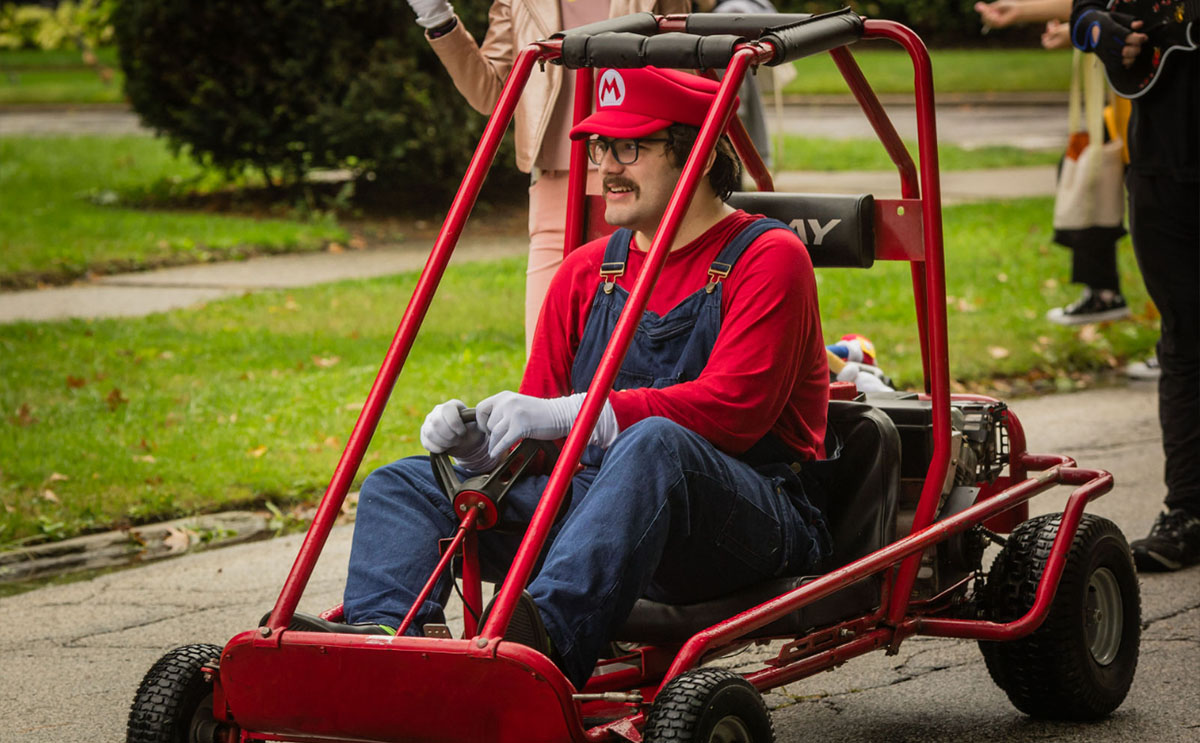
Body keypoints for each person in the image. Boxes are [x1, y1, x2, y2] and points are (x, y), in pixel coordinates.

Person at [320, 68, 832, 689]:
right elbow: (544, 434)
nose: (606, 168)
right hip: (597, 510)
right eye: (599, 148)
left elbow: (735, 410)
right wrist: (487, 445)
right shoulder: (589, 272)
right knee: (402, 484)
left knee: (655, 444)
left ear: (697, 154)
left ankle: (536, 657)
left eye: (630, 148)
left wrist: (574, 413)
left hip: (744, 518)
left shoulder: (768, 257)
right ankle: (388, 653)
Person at [402, 0, 689, 353]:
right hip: (556, 185)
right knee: (545, 350)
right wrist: (438, 18)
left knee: (644, 350)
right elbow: (493, 92)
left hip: (645, 182)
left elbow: (688, 74)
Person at [1071, 0, 1199, 571]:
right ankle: (1188, 513)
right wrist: (1105, 33)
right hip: (1159, 168)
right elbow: (1085, 15)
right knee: (1183, 341)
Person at [975, 0, 1133, 325]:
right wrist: (1077, 30)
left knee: (1166, 223)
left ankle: (1174, 344)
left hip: (1155, 112)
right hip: (1129, 109)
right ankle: (1106, 294)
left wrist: (1023, 11)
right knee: (1080, 169)